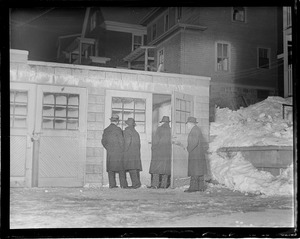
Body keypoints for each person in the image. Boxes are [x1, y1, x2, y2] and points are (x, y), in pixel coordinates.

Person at [101, 115, 128, 189]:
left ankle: (112, 185)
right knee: (121, 170)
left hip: (110, 153)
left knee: (111, 169)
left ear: (111, 121)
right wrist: (123, 150)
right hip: (118, 152)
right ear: (117, 121)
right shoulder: (118, 129)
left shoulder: (106, 130)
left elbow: (103, 141)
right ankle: (123, 185)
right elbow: (121, 141)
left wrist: (108, 148)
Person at [184, 116, 208, 193]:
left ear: (191, 123)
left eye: (187, 124)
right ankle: (200, 187)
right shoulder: (197, 130)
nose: (187, 125)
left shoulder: (194, 131)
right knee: (199, 171)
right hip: (199, 154)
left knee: (194, 171)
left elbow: (193, 142)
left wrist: (188, 148)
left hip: (195, 154)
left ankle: (193, 188)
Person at [148, 116, 172, 189]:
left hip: (158, 152)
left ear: (163, 122)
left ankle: (155, 185)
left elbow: (156, 141)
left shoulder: (159, 129)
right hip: (167, 153)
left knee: (156, 169)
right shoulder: (171, 130)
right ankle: (163, 185)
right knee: (165, 169)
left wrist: (153, 148)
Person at [123, 118, 142, 189]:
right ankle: (137, 183)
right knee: (135, 168)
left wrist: (124, 151)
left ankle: (135, 184)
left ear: (127, 124)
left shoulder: (127, 131)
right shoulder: (135, 132)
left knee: (132, 169)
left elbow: (127, 142)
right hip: (136, 153)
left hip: (129, 153)